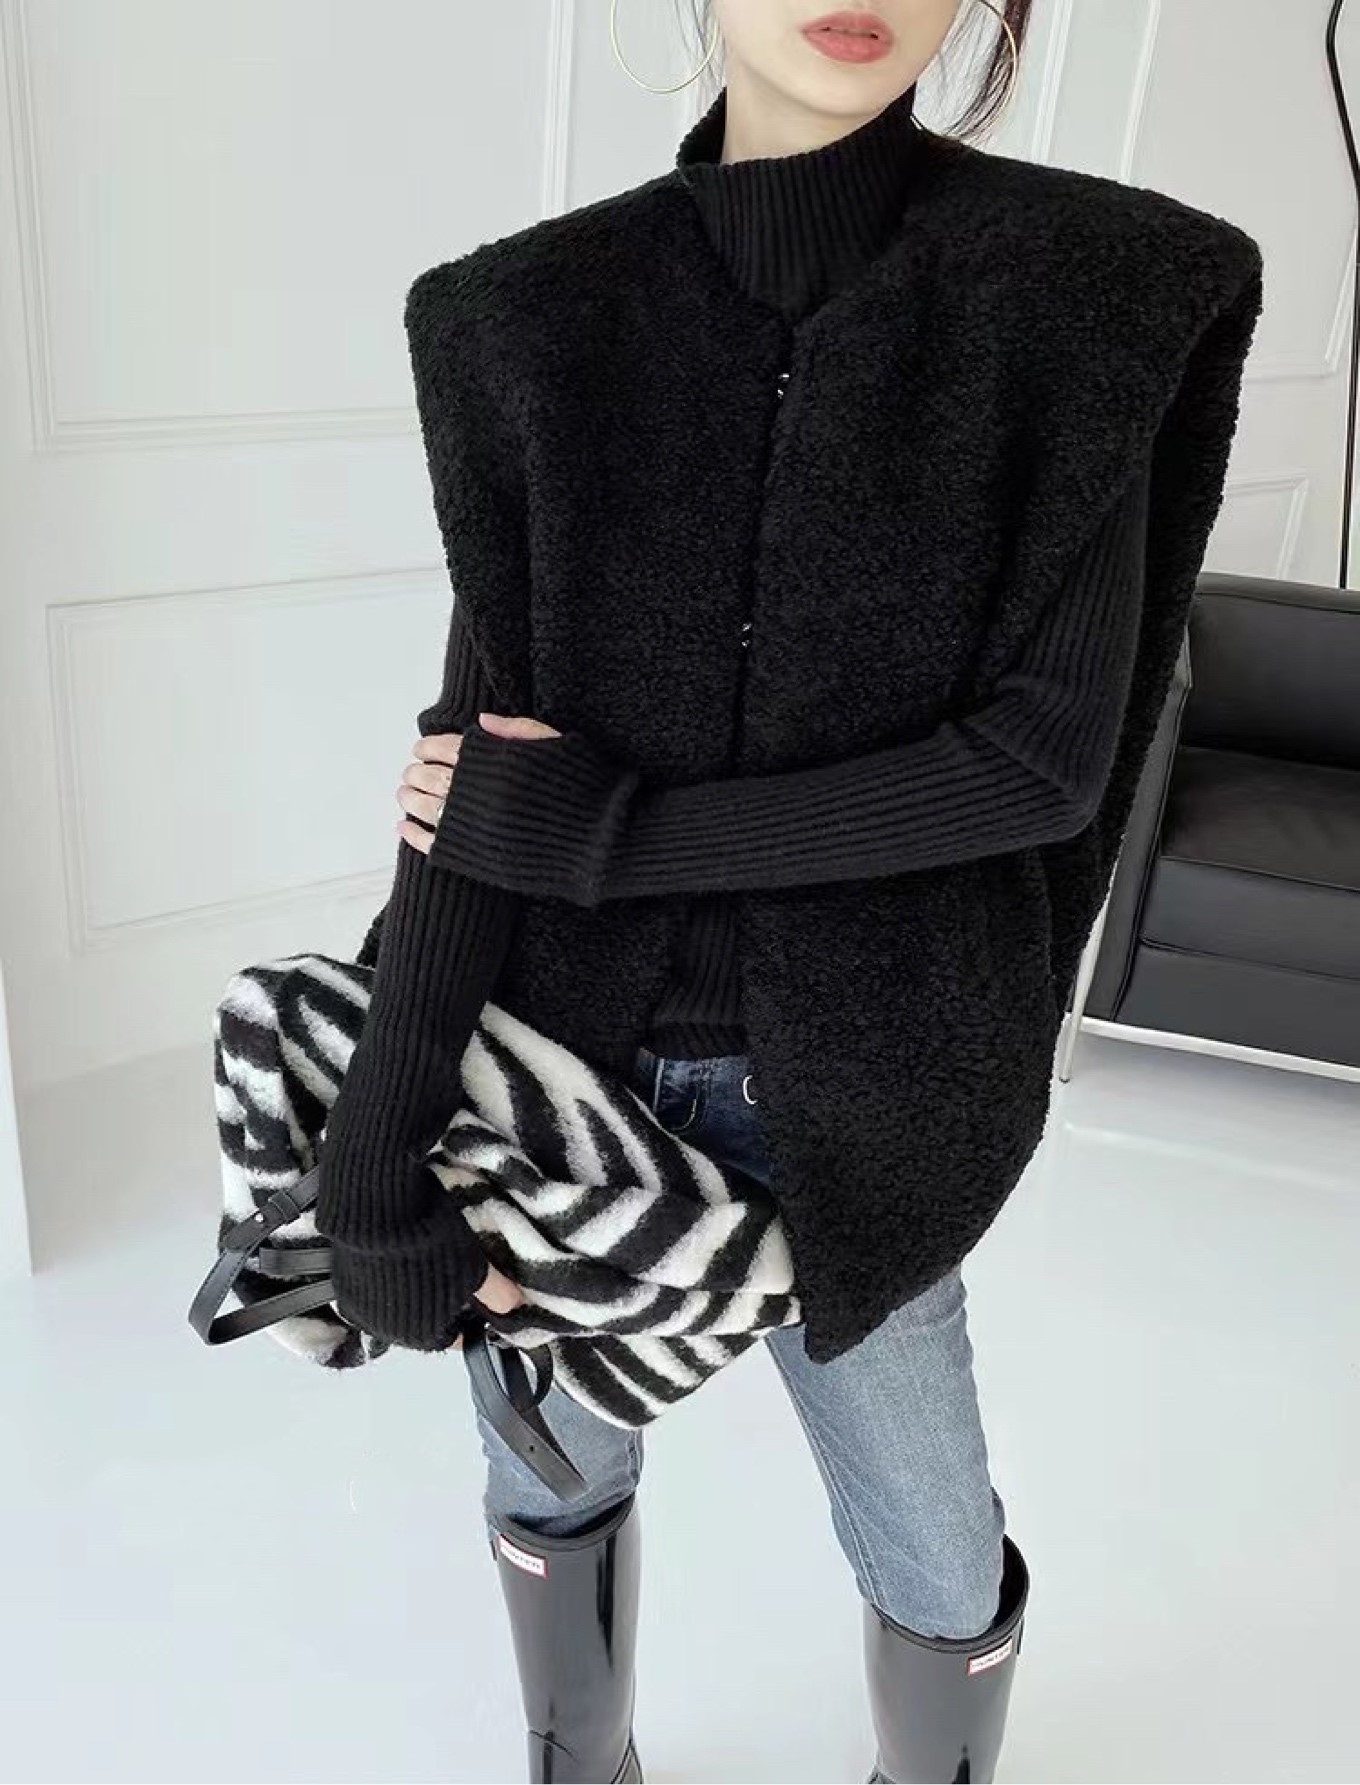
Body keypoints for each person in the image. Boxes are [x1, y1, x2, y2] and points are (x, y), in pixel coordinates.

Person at [313, 2, 1264, 1780]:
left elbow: (1036, 765)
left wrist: (619, 833)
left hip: (877, 1099)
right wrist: (376, 1155)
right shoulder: (532, 319)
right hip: (558, 1083)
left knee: (937, 1549)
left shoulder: (1093, 298)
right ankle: (584, 1765)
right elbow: (484, 783)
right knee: (552, 1473)